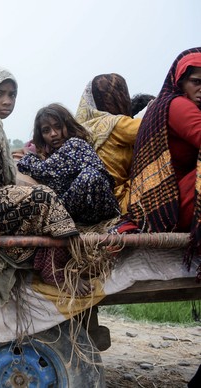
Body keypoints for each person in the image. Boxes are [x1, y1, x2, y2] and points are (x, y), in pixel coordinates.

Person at [0, 66, 92, 295]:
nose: (7, 101)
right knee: (44, 198)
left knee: (44, 194)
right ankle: (59, 269)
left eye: (12, 95)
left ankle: (48, 260)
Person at [128, 47, 201, 281]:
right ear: (180, 82)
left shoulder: (164, 103)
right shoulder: (179, 106)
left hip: (156, 206)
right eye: (196, 82)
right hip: (168, 209)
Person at [17, 103, 119, 225]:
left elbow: (42, 170)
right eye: (46, 130)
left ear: (67, 126)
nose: (53, 134)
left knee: (90, 175)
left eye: (58, 127)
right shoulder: (51, 155)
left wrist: (27, 156)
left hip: (100, 207)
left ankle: (57, 221)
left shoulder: (75, 145)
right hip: (79, 213)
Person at [75, 73, 142, 215]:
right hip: (120, 200)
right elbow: (156, 126)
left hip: (93, 204)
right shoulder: (116, 124)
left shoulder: (84, 126)